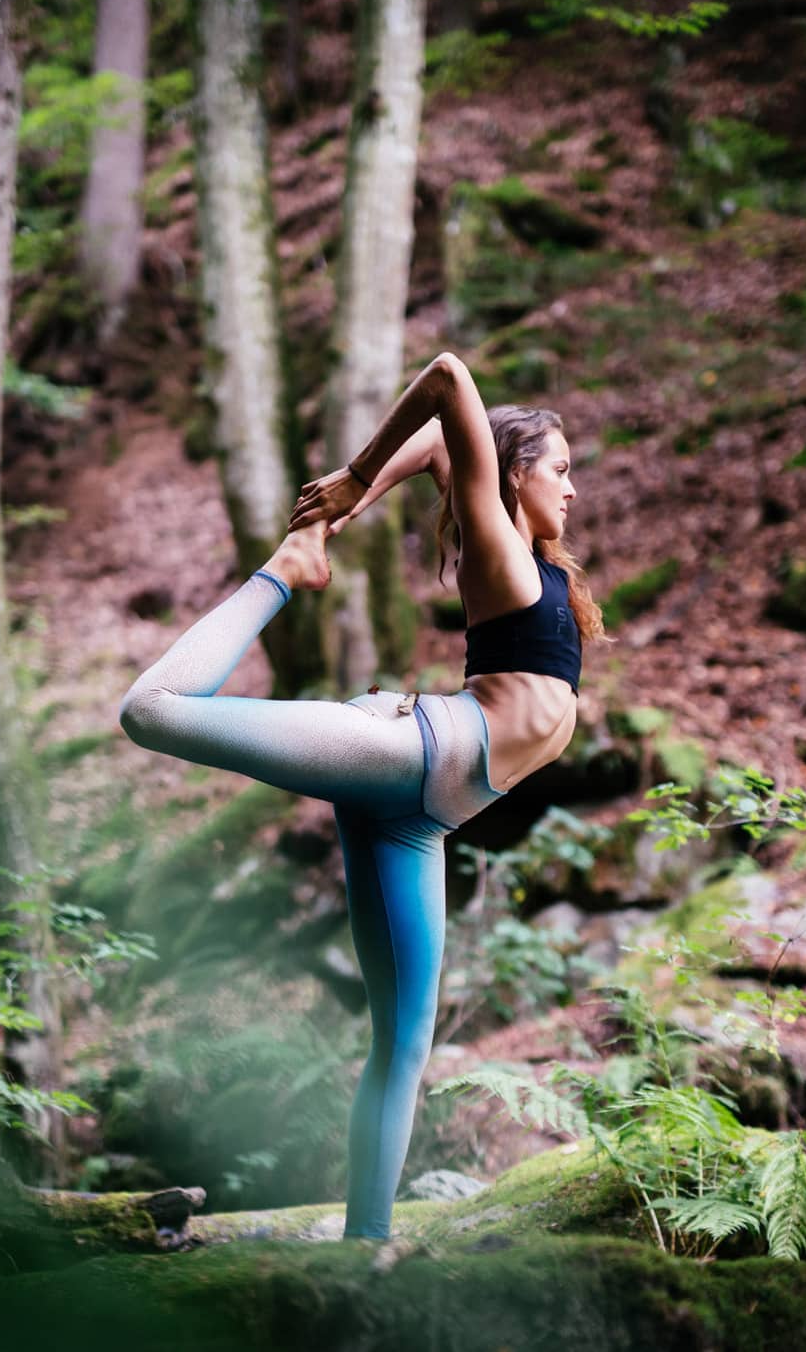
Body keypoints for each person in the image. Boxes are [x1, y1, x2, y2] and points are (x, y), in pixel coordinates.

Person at [117, 351, 611, 1240]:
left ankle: (363, 1252)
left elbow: (432, 442)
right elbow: (449, 381)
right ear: (515, 475)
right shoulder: (501, 553)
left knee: (403, 1048)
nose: (574, 491)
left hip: (420, 820)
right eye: (563, 470)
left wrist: (369, 489)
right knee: (150, 710)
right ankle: (282, 573)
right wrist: (347, 487)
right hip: (400, 753)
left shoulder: (534, 559)